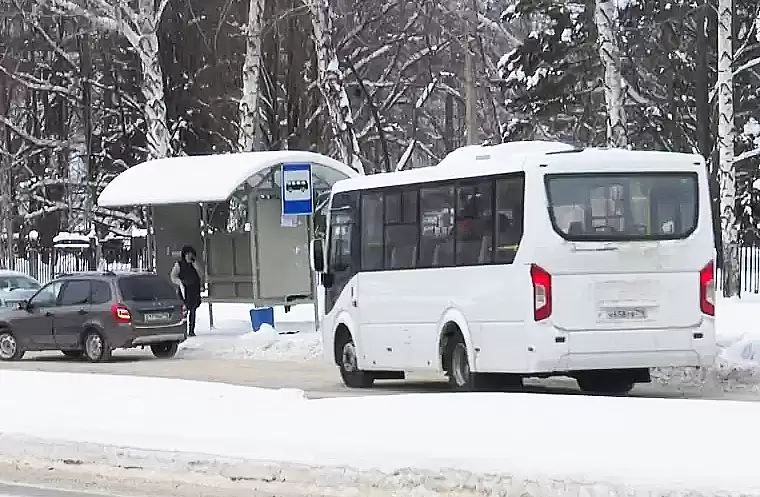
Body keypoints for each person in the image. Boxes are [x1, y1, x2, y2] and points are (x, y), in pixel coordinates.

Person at [170, 245, 203, 337]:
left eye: (191, 254)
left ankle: (191, 330)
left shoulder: (195, 264)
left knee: (193, 310)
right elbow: (173, 276)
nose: (189, 256)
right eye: (187, 254)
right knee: (184, 311)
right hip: (184, 290)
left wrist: (195, 264)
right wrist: (180, 283)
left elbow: (201, 274)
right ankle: (183, 329)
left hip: (194, 290)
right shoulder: (179, 264)